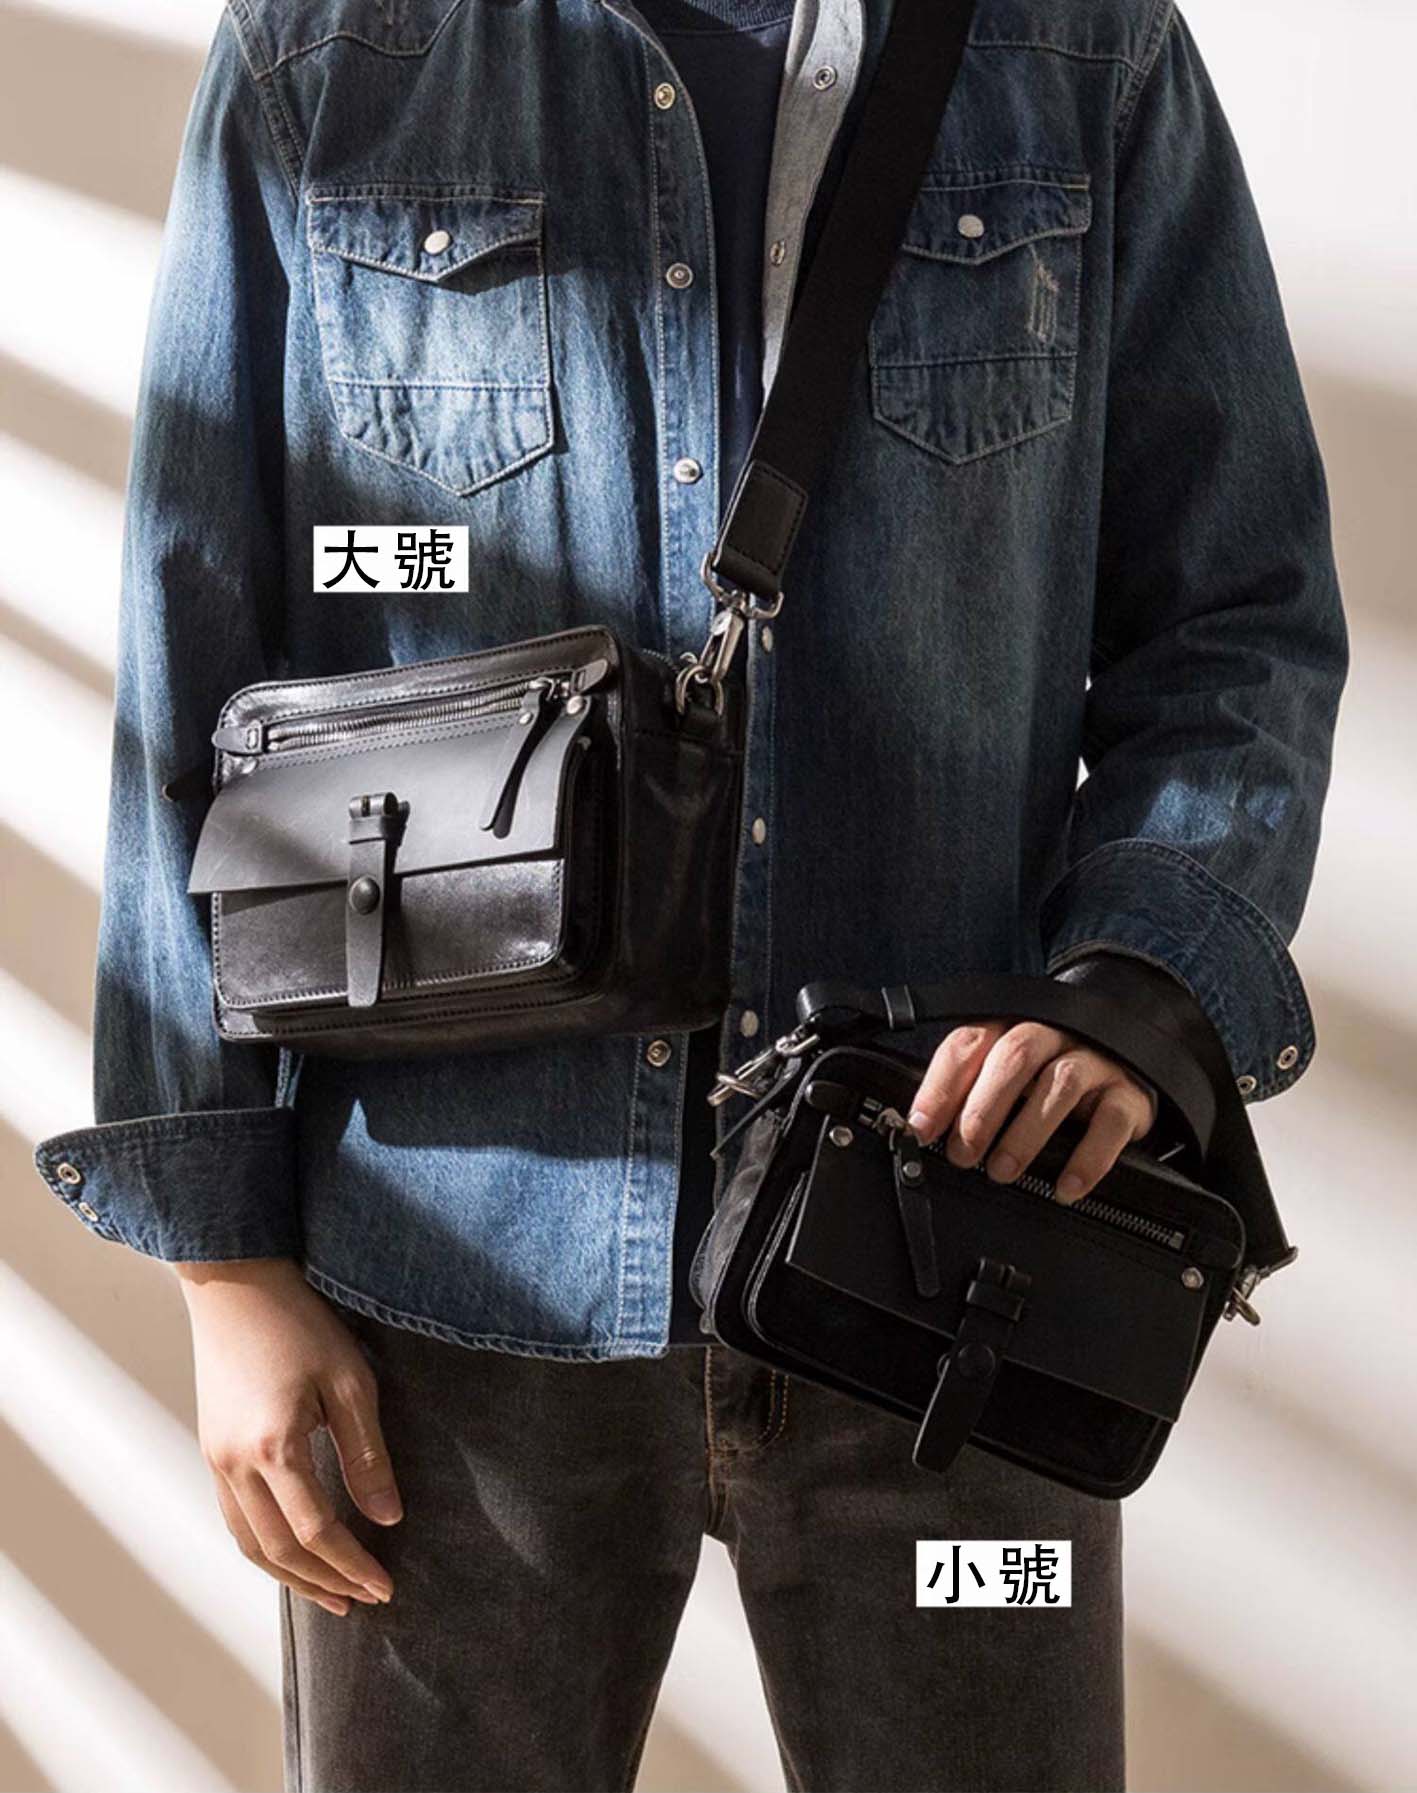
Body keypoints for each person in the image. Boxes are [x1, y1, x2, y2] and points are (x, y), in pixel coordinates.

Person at [32, 0, 1348, 1787]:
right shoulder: (333, 49)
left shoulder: (1080, 49)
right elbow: (198, 627)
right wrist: (225, 1266)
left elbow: (1235, 615)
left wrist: (1142, 984)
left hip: (955, 1271)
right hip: (447, 1293)